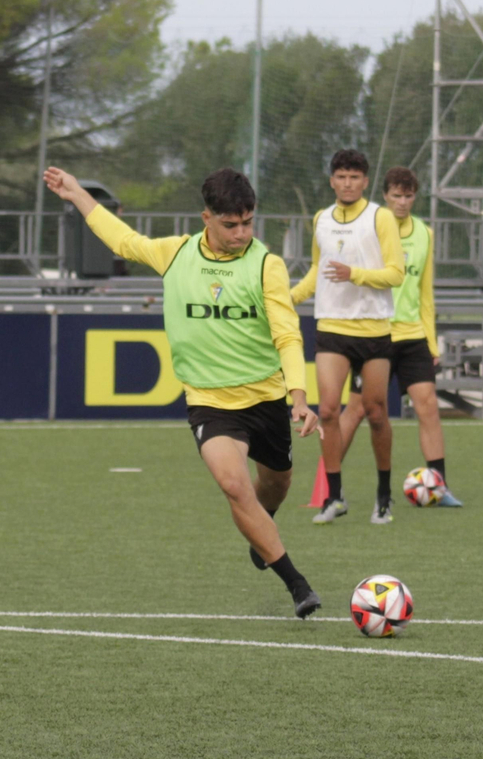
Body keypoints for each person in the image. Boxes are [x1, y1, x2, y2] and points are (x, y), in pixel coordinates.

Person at [44, 164, 324, 617]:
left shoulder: (266, 265)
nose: (241, 233)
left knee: (276, 484)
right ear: (206, 218)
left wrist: (298, 397)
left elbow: (288, 335)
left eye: (248, 223)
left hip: (266, 398)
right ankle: (297, 585)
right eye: (230, 224)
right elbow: (121, 240)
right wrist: (76, 193)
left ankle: (262, 530)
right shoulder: (175, 254)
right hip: (210, 402)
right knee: (234, 485)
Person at [289, 149, 405, 525]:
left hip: (373, 328)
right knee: (327, 411)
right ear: (331, 180)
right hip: (332, 327)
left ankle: (383, 496)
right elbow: (316, 273)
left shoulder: (380, 217)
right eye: (341, 176)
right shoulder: (321, 219)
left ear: (365, 181)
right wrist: (286, 300)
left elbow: (396, 273)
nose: (347, 183)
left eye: (354, 176)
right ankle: (335, 497)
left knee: (375, 413)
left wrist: (355, 273)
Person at [335, 167, 462, 506]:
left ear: (413, 197)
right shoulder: (371, 230)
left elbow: (425, 293)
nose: (402, 202)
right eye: (396, 196)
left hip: (413, 337)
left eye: (408, 196)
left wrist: (431, 342)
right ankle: (327, 486)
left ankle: (440, 487)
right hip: (376, 335)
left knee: (428, 406)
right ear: (385, 196)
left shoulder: (425, 233)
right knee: (357, 410)